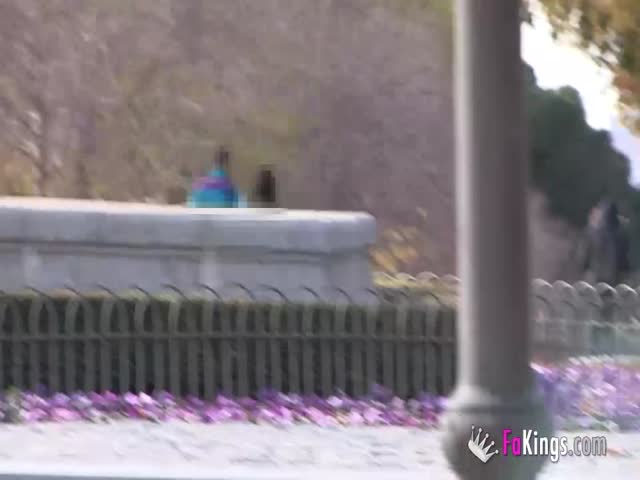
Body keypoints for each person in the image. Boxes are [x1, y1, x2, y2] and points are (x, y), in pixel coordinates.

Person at [580, 200, 630, 286]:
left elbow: (584, 259)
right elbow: (624, 262)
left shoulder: (593, 233)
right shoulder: (621, 235)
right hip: (614, 280)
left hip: (597, 278)